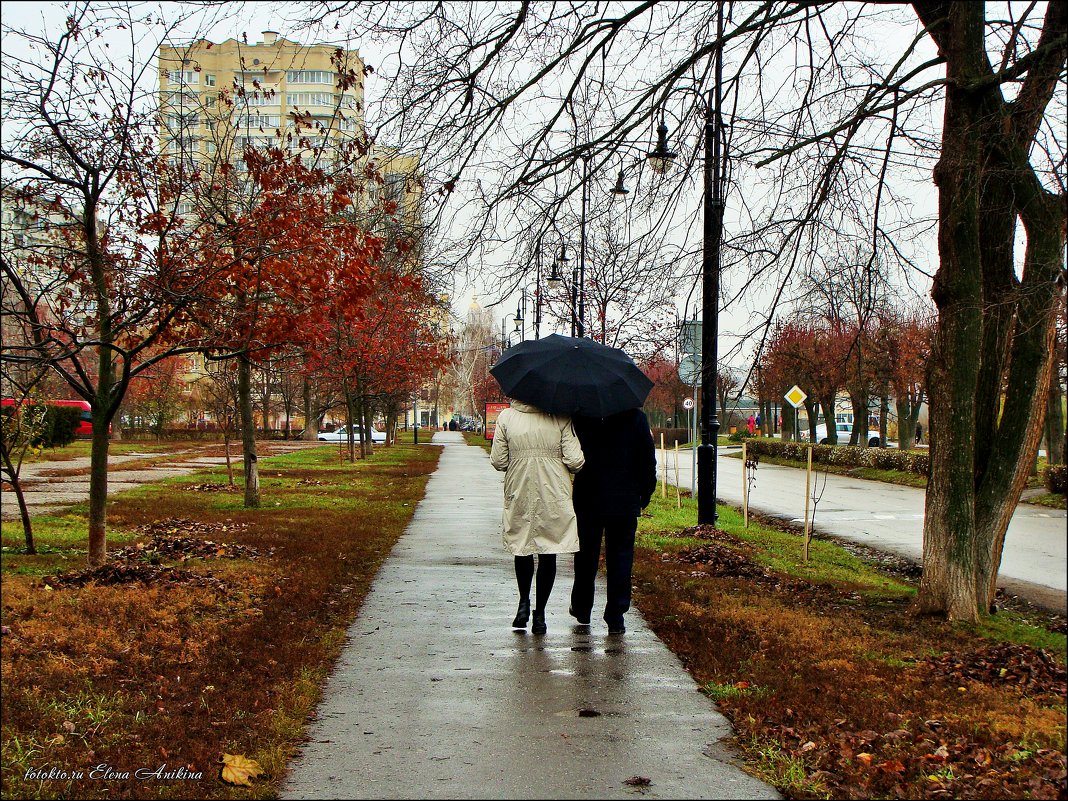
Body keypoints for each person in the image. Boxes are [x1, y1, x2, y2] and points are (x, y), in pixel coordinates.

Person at [490, 400, 585, 635]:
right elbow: (575, 461)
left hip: (519, 486)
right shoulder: (560, 417)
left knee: (522, 545)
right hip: (552, 490)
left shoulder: (506, 417)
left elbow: (498, 460)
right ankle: (540, 614)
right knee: (548, 549)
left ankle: (523, 602)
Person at [569, 408, 657, 635]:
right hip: (624, 500)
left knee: (585, 554)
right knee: (621, 557)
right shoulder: (635, 417)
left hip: (589, 497)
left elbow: (571, 456)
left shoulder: (581, 416)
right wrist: (645, 494)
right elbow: (648, 459)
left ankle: (582, 607)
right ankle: (616, 615)